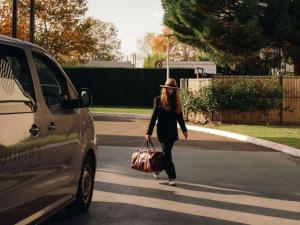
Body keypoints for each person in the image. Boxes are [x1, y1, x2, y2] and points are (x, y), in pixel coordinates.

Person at [145, 78, 188, 186]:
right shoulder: (158, 100)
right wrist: (148, 132)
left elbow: (180, 118)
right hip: (162, 132)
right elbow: (154, 117)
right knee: (167, 154)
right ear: (165, 88)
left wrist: (184, 130)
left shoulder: (177, 102)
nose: (171, 91)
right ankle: (172, 177)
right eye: (169, 88)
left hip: (172, 133)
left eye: (173, 89)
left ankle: (157, 169)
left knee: (165, 155)